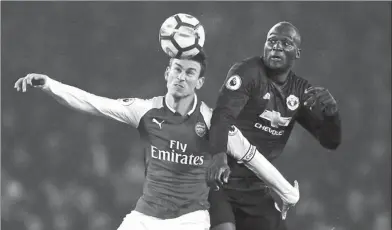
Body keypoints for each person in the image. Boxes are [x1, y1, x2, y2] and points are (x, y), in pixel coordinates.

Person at [14, 51, 299, 230]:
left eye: (190, 73)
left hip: (190, 221)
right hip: (145, 217)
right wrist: (50, 84)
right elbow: (93, 103)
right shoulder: (145, 111)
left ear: (199, 82)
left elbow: (250, 156)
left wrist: (287, 193)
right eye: (176, 69)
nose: (181, 77)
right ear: (167, 73)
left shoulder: (214, 122)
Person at [207, 21, 342, 230]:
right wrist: (218, 156)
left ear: (297, 53)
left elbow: (330, 141)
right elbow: (223, 114)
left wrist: (332, 114)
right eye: (271, 41)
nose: (276, 46)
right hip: (222, 179)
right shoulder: (248, 72)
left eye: (285, 43)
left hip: (255, 186)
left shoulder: (300, 91)